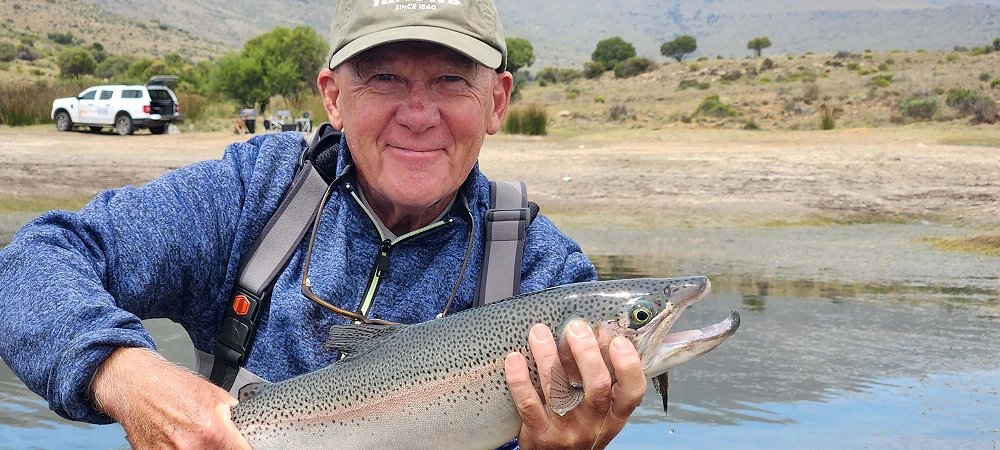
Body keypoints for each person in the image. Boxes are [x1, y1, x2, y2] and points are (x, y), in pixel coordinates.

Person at [0, 1, 647, 448]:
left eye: (452, 80)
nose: (418, 114)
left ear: (497, 102)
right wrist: (127, 376)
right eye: (384, 78)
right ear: (333, 97)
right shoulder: (252, 194)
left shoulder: (549, 275)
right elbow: (31, 263)